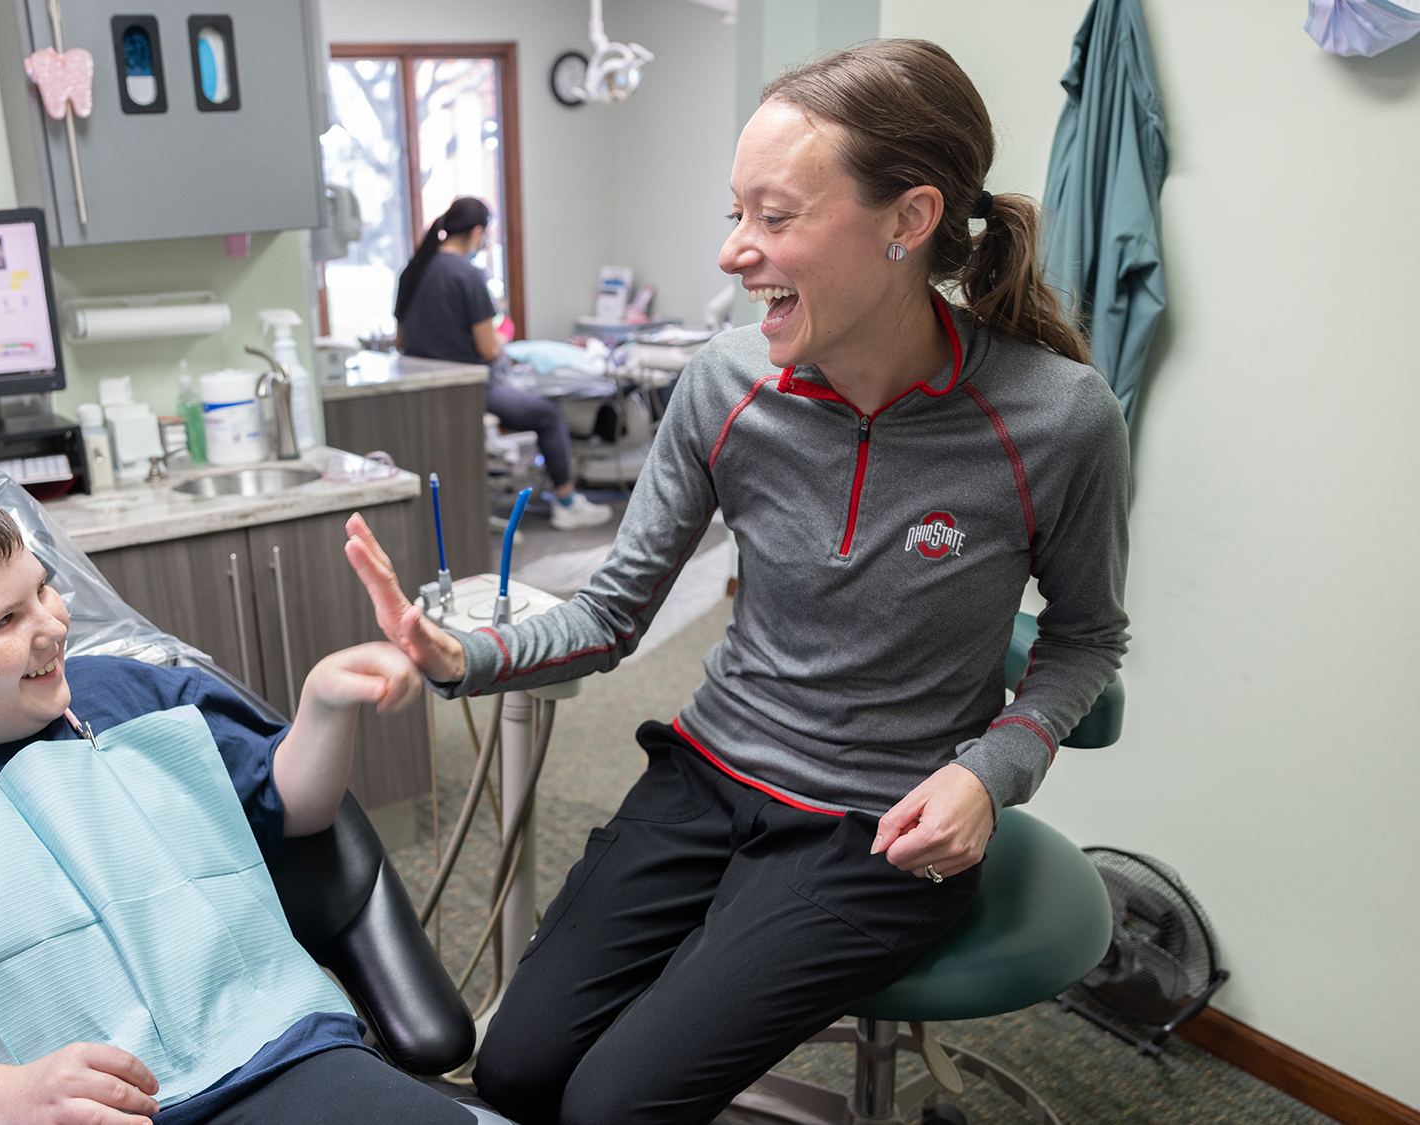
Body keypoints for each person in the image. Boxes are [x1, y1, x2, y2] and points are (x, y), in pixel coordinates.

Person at [344, 39, 1129, 1125]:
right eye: (734, 214)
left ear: (906, 220)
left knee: (612, 1105)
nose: (732, 253)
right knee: (517, 1072)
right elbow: (614, 615)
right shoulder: (723, 384)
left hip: (877, 826)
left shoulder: (1055, 418)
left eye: (773, 217)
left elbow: (1084, 640)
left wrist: (989, 773)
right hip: (706, 777)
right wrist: (461, 656)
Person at [0, 485, 487, 1125]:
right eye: (3, 621)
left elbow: (292, 805)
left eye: (42, 589)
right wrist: (14, 1095)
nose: (52, 624)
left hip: (275, 1060)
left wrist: (324, 706)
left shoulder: (140, 697)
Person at [394, 196, 612, 531]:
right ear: (478, 232)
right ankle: (567, 503)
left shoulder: (413, 271)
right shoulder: (467, 275)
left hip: (424, 394)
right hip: (468, 390)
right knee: (549, 414)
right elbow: (489, 349)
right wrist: (502, 337)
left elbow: (401, 341)